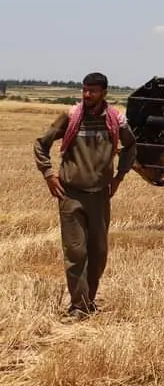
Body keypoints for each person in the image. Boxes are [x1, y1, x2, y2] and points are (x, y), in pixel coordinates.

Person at [32, 72, 137, 321]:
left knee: (98, 253)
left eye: (93, 91)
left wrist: (120, 176)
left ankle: (88, 302)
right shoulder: (70, 117)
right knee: (76, 252)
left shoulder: (116, 121)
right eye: (84, 90)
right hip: (70, 194)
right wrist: (49, 174)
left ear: (104, 93)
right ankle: (78, 307)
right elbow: (40, 143)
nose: (87, 95)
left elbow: (131, 147)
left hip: (100, 196)